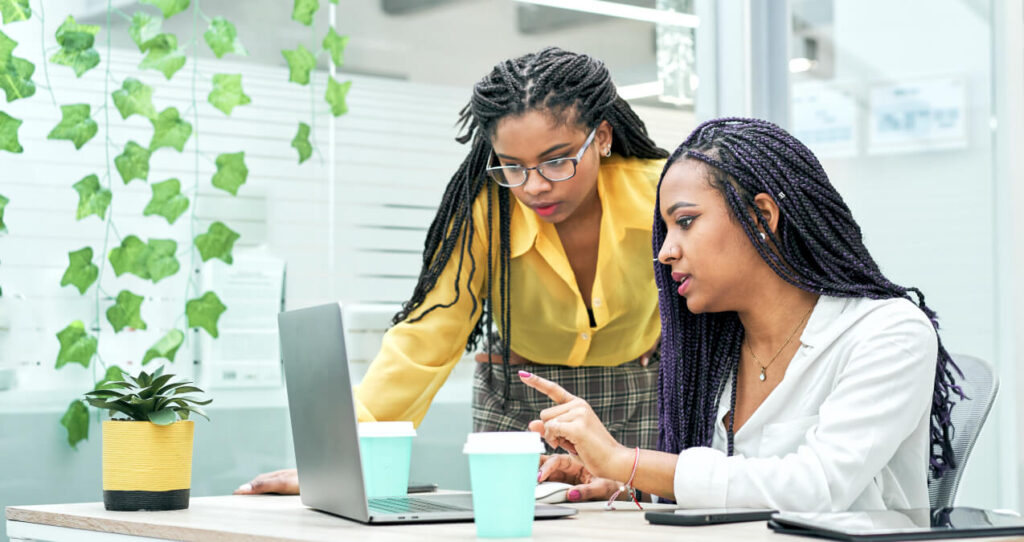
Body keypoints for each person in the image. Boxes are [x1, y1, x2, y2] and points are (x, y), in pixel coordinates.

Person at [236, 47, 669, 497]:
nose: (534, 186)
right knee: (515, 526)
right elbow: (428, 335)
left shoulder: (662, 193)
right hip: (520, 398)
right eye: (512, 166)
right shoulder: (487, 211)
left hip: (640, 390)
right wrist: (341, 458)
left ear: (601, 137)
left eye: (557, 160)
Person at [523, 117, 963, 511]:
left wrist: (629, 461)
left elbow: (816, 487)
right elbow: (733, 487)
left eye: (687, 221)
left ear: (762, 215)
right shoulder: (716, 348)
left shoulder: (887, 332)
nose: (665, 251)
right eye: (666, 228)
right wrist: (627, 482)